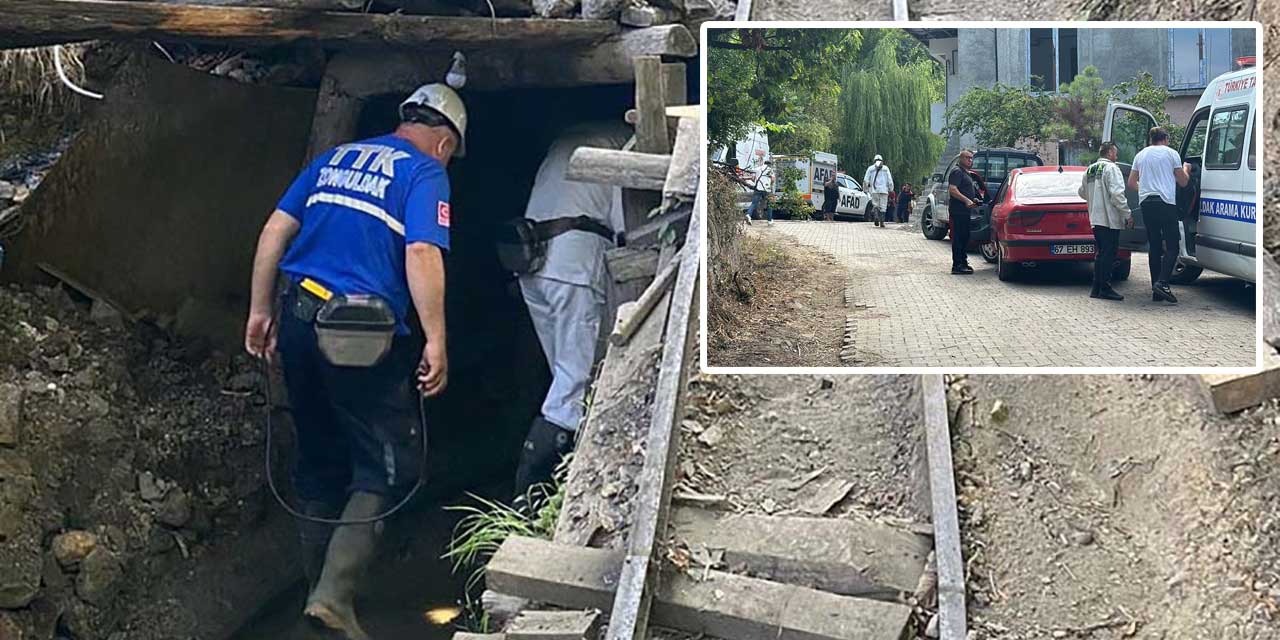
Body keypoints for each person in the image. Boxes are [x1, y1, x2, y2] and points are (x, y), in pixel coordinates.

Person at [244, 83, 465, 640]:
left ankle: (314, 599)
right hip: (358, 334)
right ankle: (334, 598)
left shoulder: (335, 158)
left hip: (297, 315)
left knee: (318, 456)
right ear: (444, 143)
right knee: (389, 465)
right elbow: (420, 250)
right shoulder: (424, 173)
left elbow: (275, 229)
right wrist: (436, 338)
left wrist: (259, 309)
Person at [513, 122, 629, 506]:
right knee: (573, 385)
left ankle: (541, 495)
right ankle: (534, 499)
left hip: (530, 262)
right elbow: (626, 225)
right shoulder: (625, 146)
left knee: (562, 378)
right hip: (573, 267)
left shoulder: (563, 139)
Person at [1127, 126, 1190, 303]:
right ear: (1166, 139)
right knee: (1172, 246)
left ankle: (1156, 291)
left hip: (1147, 203)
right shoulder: (1171, 154)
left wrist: (1145, 191)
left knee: (1154, 245)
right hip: (1165, 203)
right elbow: (1183, 182)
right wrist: (1186, 169)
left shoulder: (1140, 155)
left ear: (1151, 139)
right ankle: (1162, 282)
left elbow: (1132, 182)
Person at [1078, 141, 1134, 301]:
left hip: (1095, 218)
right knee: (1109, 254)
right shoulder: (1111, 168)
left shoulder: (1090, 169)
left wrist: (1094, 196)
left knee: (1101, 254)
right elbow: (1117, 194)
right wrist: (1127, 214)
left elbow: (1081, 192)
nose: (1116, 156)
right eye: (1115, 153)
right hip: (1109, 219)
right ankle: (1105, 288)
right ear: (1109, 153)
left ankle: (1096, 287)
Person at [947, 150, 980, 274]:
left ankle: (963, 261)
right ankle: (957, 265)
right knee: (959, 238)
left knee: (965, 237)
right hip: (958, 211)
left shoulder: (967, 173)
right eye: (967, 158)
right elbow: (953, 189)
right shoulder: (957, 172)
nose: (970, 160)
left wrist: (974, 199)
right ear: (961, 158)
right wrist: (966, 200)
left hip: (965, 211)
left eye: (971, 158)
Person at [863, 154, 894, 227]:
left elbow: (865, 180)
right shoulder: (886, 168)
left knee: (875, 204)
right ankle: (882, 222)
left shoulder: (870, 168)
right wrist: (891, 189)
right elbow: (890, 180)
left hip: (874, 190)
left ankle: (876, 216)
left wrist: (865, 189)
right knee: (883, 206)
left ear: (874, 160)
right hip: (884, 190)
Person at [748, 160, 774, 225]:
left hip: (758, 188)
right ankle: (769, 220)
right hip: (766, 190)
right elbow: (773, 179)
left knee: (754, 203)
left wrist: (757, 183)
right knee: (769, 204)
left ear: (764, 163)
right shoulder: (770, 170)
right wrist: (770, 184)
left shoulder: (758, 168)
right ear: (769, 165)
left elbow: (753, 178)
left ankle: (748, 215)